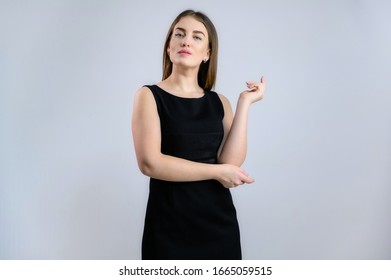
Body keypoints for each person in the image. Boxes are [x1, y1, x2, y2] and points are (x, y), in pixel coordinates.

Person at [132, 9, 266, 260]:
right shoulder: (148, 96)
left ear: (207, 54)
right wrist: (216, 172)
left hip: (218, 225)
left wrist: (244, 103)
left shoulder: (219, 102)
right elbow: (150, 163)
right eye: (179, 34)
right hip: (168, 226)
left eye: (197, 37)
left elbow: (231, 163)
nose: (186, 41)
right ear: (169, 47)